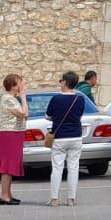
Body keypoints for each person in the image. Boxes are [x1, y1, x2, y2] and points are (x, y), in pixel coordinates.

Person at [44, 70, 86, 206]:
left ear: (65, 82)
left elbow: (48, 115)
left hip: (60, 136)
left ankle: (54, 198)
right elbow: (79, 116)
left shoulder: (56, 99)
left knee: (57, 167)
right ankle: (71, 199)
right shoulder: (80, 99)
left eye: (61, 80)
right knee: (73, 167)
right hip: (76, 136)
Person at [0, 73, 29, 203]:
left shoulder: (13, 99)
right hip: (9, 134)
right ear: (14, 86)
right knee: (7, 166)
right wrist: (24, 98)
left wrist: (21, 100)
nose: (22, 85)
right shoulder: (7, 98)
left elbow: (25, 114)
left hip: (15, 133)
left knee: (11, 165)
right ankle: (4, 195)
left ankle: (8, 193)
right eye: (20, 82)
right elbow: (23, 113)